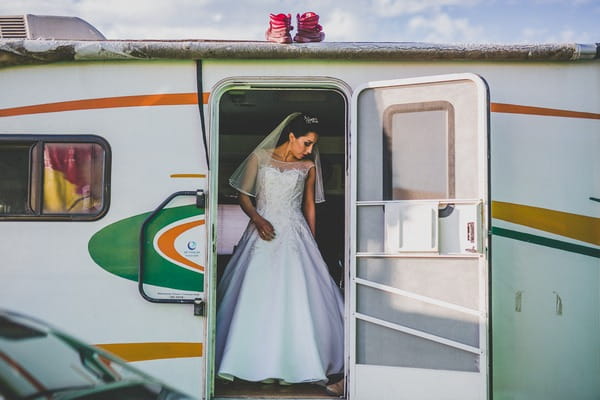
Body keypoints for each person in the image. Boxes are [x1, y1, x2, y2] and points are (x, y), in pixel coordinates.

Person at [215, 112, 345, 394]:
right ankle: (248, 362)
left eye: (312, 145)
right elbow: (243, 196)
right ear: (291, 137)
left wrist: (311, 239)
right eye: (307, 143)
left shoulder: (308, 166)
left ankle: (295, 365)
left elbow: (309, 204)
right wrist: (258, 220)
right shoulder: (259, 158)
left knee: (297, 295)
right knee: (257, 293)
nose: (310, 150)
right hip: (263, 228)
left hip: (294, 231)